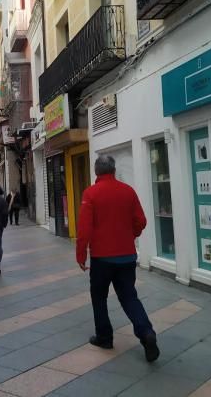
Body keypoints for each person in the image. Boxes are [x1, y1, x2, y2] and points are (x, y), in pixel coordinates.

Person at [77, 155, 159, 362]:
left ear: (96, 172)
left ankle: (105, 337)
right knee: (129, 297)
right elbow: (141, 220)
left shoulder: (91, 193)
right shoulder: (128, 191)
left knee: (99, 296)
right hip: (126, 256)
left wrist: (81, 255)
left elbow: (84, 229)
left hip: (102, 258)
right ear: (113, 170)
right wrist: (132, 235)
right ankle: (146, 332)